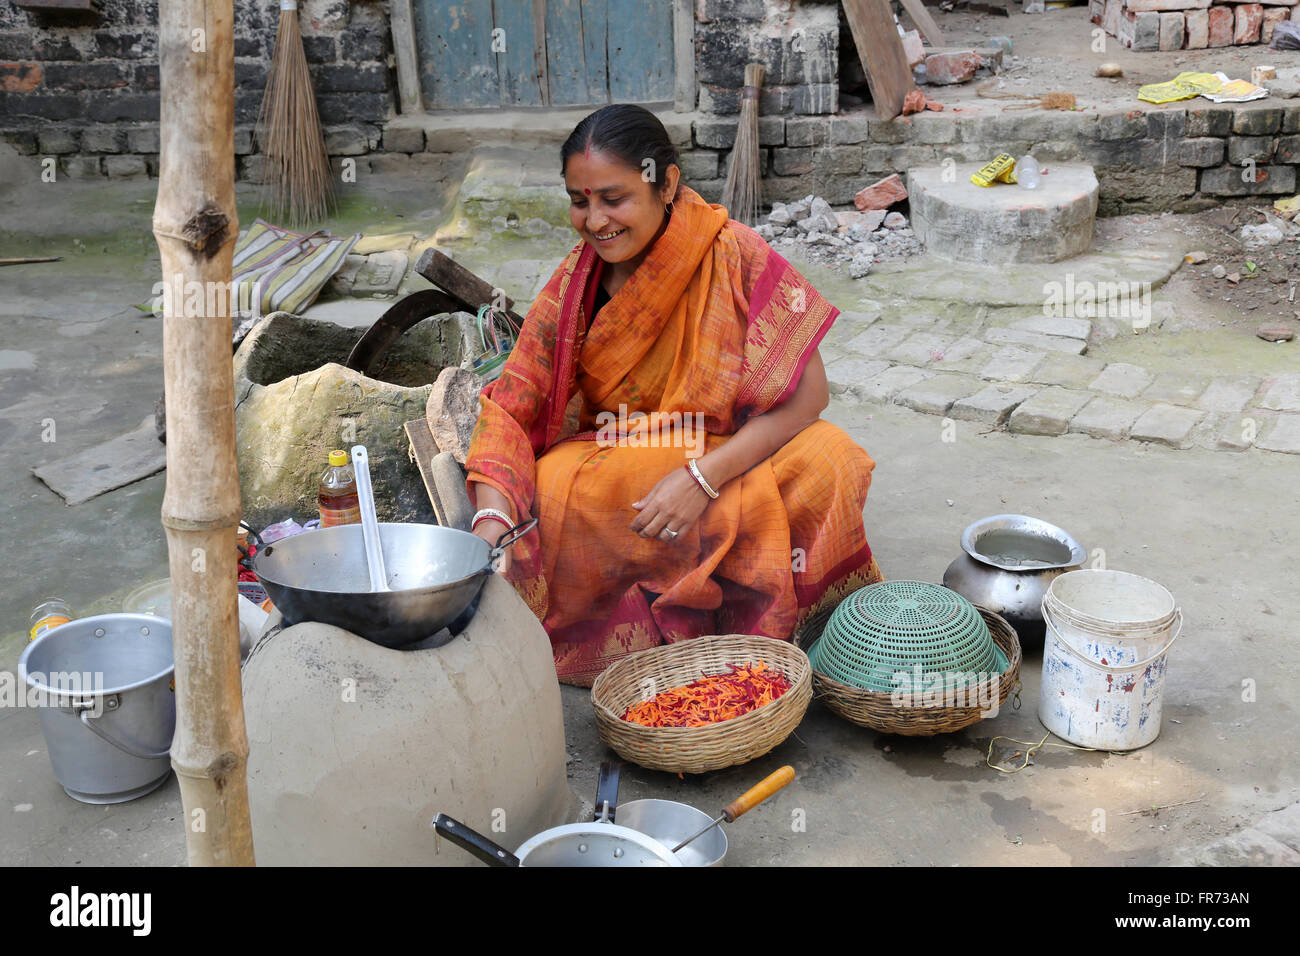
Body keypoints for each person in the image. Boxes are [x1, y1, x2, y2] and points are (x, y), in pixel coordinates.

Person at [463, 104, 883, 686]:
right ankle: (667, 621)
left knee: (830, 459)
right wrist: (490, 517)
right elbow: (512, 404)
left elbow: (810, 397)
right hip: (629, 454)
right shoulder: (575, 282)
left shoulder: (734, 251)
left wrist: (701, 479)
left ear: (667, 184)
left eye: (614, 198)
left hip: (732, 452)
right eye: (579, 201)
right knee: (554, 484)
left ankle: (773, 615)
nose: (595, 220)